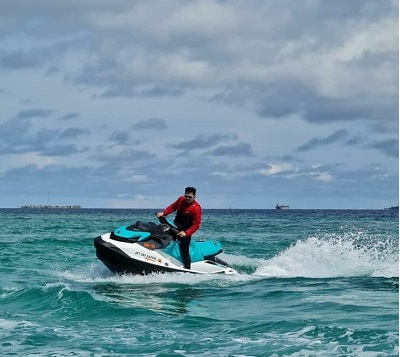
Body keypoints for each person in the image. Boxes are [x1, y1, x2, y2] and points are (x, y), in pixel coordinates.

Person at [156, 187, 201, 270]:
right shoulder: (181, 200)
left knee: (185, 251)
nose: (187, 198)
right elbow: (172, 207)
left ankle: (187, 270)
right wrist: (163, 213)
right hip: (175, 227)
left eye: (189, 197)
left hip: (185, 232)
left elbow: (196, 225)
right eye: (186, 196)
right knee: (161, 234)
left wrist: (186, 233)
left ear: (194, 197)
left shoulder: (196, 208)